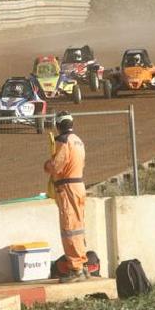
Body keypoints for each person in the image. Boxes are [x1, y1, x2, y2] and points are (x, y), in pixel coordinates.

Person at [43, 112, 90, 283]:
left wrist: (47, 165)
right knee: (78, 227)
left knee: (69, 227)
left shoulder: (63, 141)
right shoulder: (78, 140)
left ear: (58, 125)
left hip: (67, 187)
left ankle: (76, 269)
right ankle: (81, 264)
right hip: (78, 186)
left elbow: (56, 166)